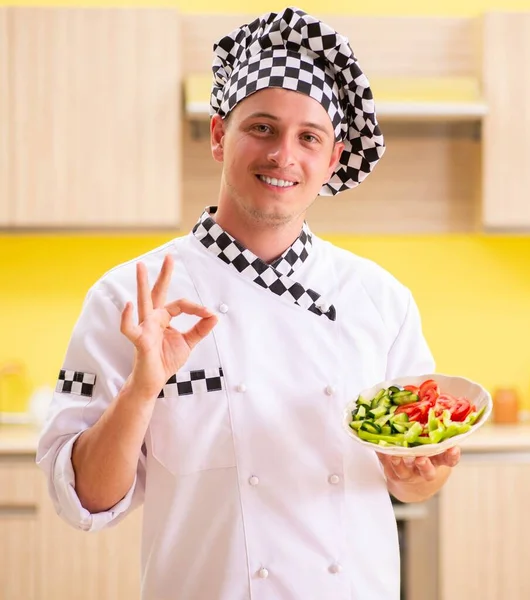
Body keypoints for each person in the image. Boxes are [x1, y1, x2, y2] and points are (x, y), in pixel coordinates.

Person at [37, 7, 460, 600]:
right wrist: (142, 388)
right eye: (261, 127)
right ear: (219, 136)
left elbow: (413, 483)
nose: (283, 154)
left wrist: (419, 475)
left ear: (331, 160)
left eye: (308, 137)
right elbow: (83, 501)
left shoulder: (379, 299)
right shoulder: (133, 294)